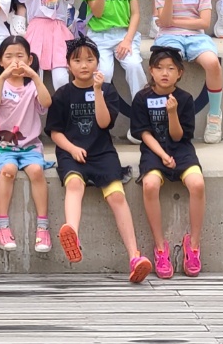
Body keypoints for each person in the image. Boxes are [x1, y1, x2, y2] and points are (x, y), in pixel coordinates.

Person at [48, 35, 152, 284]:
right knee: (74, 184)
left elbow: (105, 123)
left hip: (102, 151)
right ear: (68, 65)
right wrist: (72, 149)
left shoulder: (106, 90)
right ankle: (71, 232)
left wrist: (96, 92)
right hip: (71, 151)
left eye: (90, 59)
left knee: (117, 195)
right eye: (77, 60)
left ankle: (134, 256)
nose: (84, 65)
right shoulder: (62, 94)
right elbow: (54, 132)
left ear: (97, 63)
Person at [131, 46, 207, 279]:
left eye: (171, 69)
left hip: (181, 149)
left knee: (197, 184)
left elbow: (179, 136)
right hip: (154, 150)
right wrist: (162, 156)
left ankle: (192, 245)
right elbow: (143, 133)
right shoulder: (142, 98)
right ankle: (160, 246)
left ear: (180, 73)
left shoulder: (184, 99)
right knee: (151, 184)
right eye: (159, 68)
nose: (165, 73)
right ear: (150, 71)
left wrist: (172, 113)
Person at [152, 0, 223, 144]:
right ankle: (165, 114)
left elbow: (204, 22)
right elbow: (164, 23)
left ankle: (215, 116)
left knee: (212, 63)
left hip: (196, 36)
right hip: (169, 36)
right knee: (168, 66)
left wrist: (173, 21)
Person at [0, 34, 52, 253]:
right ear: (0, 61)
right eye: (9, 56)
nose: (15, 61)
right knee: (8, 170)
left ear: (30, 60)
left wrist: (35, 77)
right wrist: (3, 78)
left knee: (36, 171)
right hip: (3, 146)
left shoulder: (33, 86)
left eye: (20, 56)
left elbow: (46, 102)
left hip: (30, 145)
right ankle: (2, 225)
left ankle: (43, 227)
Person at [22, 0, 76, 91]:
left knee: (61, 77)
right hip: (36, 32)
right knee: (33, 73)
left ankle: (63, 108)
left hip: (58, 32)